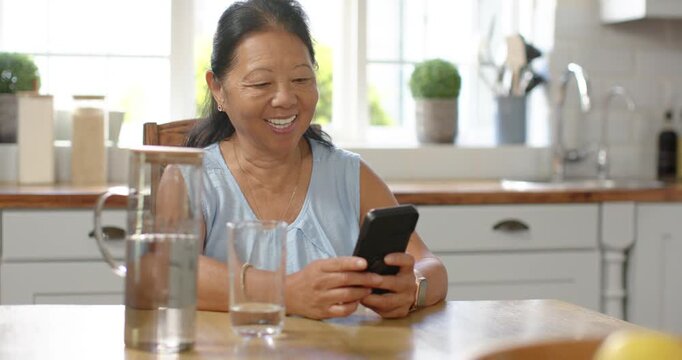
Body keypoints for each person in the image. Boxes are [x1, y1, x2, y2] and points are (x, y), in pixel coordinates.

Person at [186, 0, 448, 320]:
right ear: (218, 89)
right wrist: (285, 292)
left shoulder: (350, 173)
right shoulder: (192, 178)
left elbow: (431, 267)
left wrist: (414, 289)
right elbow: (168, 271)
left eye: (300, 80)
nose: (285, 98)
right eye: (261, 83)